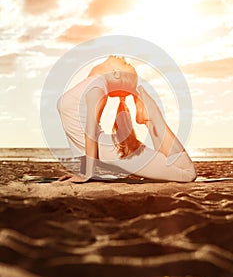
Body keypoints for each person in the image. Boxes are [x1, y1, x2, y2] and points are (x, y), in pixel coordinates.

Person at [57, 56, 196, 183]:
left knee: (188, 174)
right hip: (109, 150)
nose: (122, 57)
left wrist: (87, 174)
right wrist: (84, 173)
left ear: (116, 73)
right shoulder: (91, 84)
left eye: (125, 63)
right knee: (176, 167)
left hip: (112, 151)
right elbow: (79, 134)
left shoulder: (97, 86)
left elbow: (90, 133)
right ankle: (150, 118)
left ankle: (152, 115)